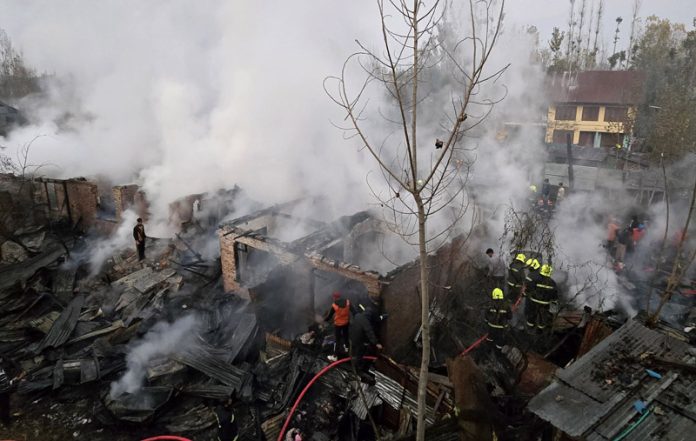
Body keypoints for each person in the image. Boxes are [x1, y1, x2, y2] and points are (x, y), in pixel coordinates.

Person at [349, 307, 382, 375]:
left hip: (350, 337)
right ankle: (357, 369)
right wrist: (376, 343)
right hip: (358, 341)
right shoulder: (366, 322)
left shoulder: (357, 315)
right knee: (361, 352)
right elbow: (370, 332)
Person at [526, 265, 558, 332]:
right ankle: (540, 331)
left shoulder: (536, 279)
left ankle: (529, 330)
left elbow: (529, 289)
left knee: (531, 317)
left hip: (533, 302)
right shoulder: (553, 283)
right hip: (545, 304)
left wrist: (528, 294)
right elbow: (555, 296)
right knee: (542, 318)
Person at [324, 291, 353, 361]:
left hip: (338, 325)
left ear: (334, 297)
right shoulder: (348, 302)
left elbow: (329, 316)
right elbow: (353, 311)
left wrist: (324, 320)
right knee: (346, 335)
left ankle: (335, 356)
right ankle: (346, 347)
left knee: (337, 340)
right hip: (346, 322)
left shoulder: (334, 305)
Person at [0, 359, 12, 428]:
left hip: (5, 391)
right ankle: (6, 422)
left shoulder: (1, 369)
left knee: (6, 406)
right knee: (4, 407)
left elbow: (5, 380)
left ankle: (6, 419)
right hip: (1, 392)